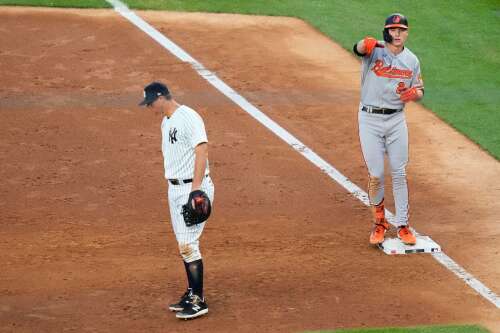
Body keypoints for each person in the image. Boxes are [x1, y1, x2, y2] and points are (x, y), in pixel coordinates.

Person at [139, 82, 215, 320]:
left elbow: (202, 150)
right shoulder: (166, 122)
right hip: (174, 190)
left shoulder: (188, 117)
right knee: (184, 242)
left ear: (161, 97)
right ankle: (192, 292)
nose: (150, 106)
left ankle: (198, 301)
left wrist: (195, 190)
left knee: (188, 244)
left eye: (151, 102)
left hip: (192, 188)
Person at [353, 13, 424, 246]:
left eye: (401, 29)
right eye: (393, 29)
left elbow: (420, 89)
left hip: (396, 121)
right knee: (376, 175)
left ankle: (403, 225)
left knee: (399, 172)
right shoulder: (375, 51)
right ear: (386, 31)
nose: (397, 33)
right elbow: (359, 48)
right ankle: (380, 222)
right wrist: (366, 43)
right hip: (369, 120)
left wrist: (415, 94)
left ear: (407, 32)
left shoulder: (412, 60)